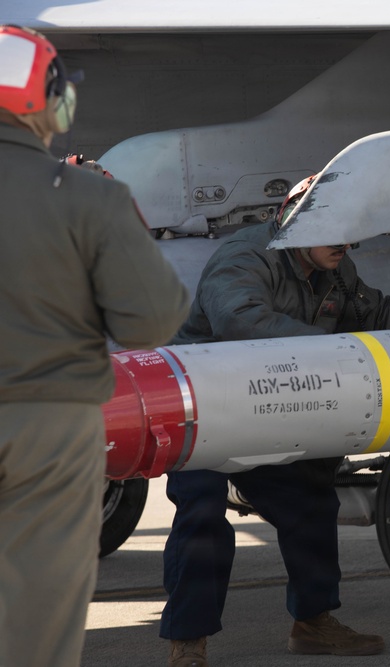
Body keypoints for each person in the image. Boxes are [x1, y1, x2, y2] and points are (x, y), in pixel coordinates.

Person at [160, 175, 390, 666]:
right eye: (333, 228)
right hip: (208, 410)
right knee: (201, 515)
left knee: (310, 501)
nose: (345, 241)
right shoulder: (246, 257)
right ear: (295, 221)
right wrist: (331, 349)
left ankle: (313, 623)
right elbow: (239, 320)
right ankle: (189, 641)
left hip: (269, 408)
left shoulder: (334, 268)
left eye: (349, 231)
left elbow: (377, 312)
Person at [0, 25, 190, 667]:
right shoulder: (87, 196)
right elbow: (151, 324)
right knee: (38, 615)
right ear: (49, 104)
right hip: (47, 433)